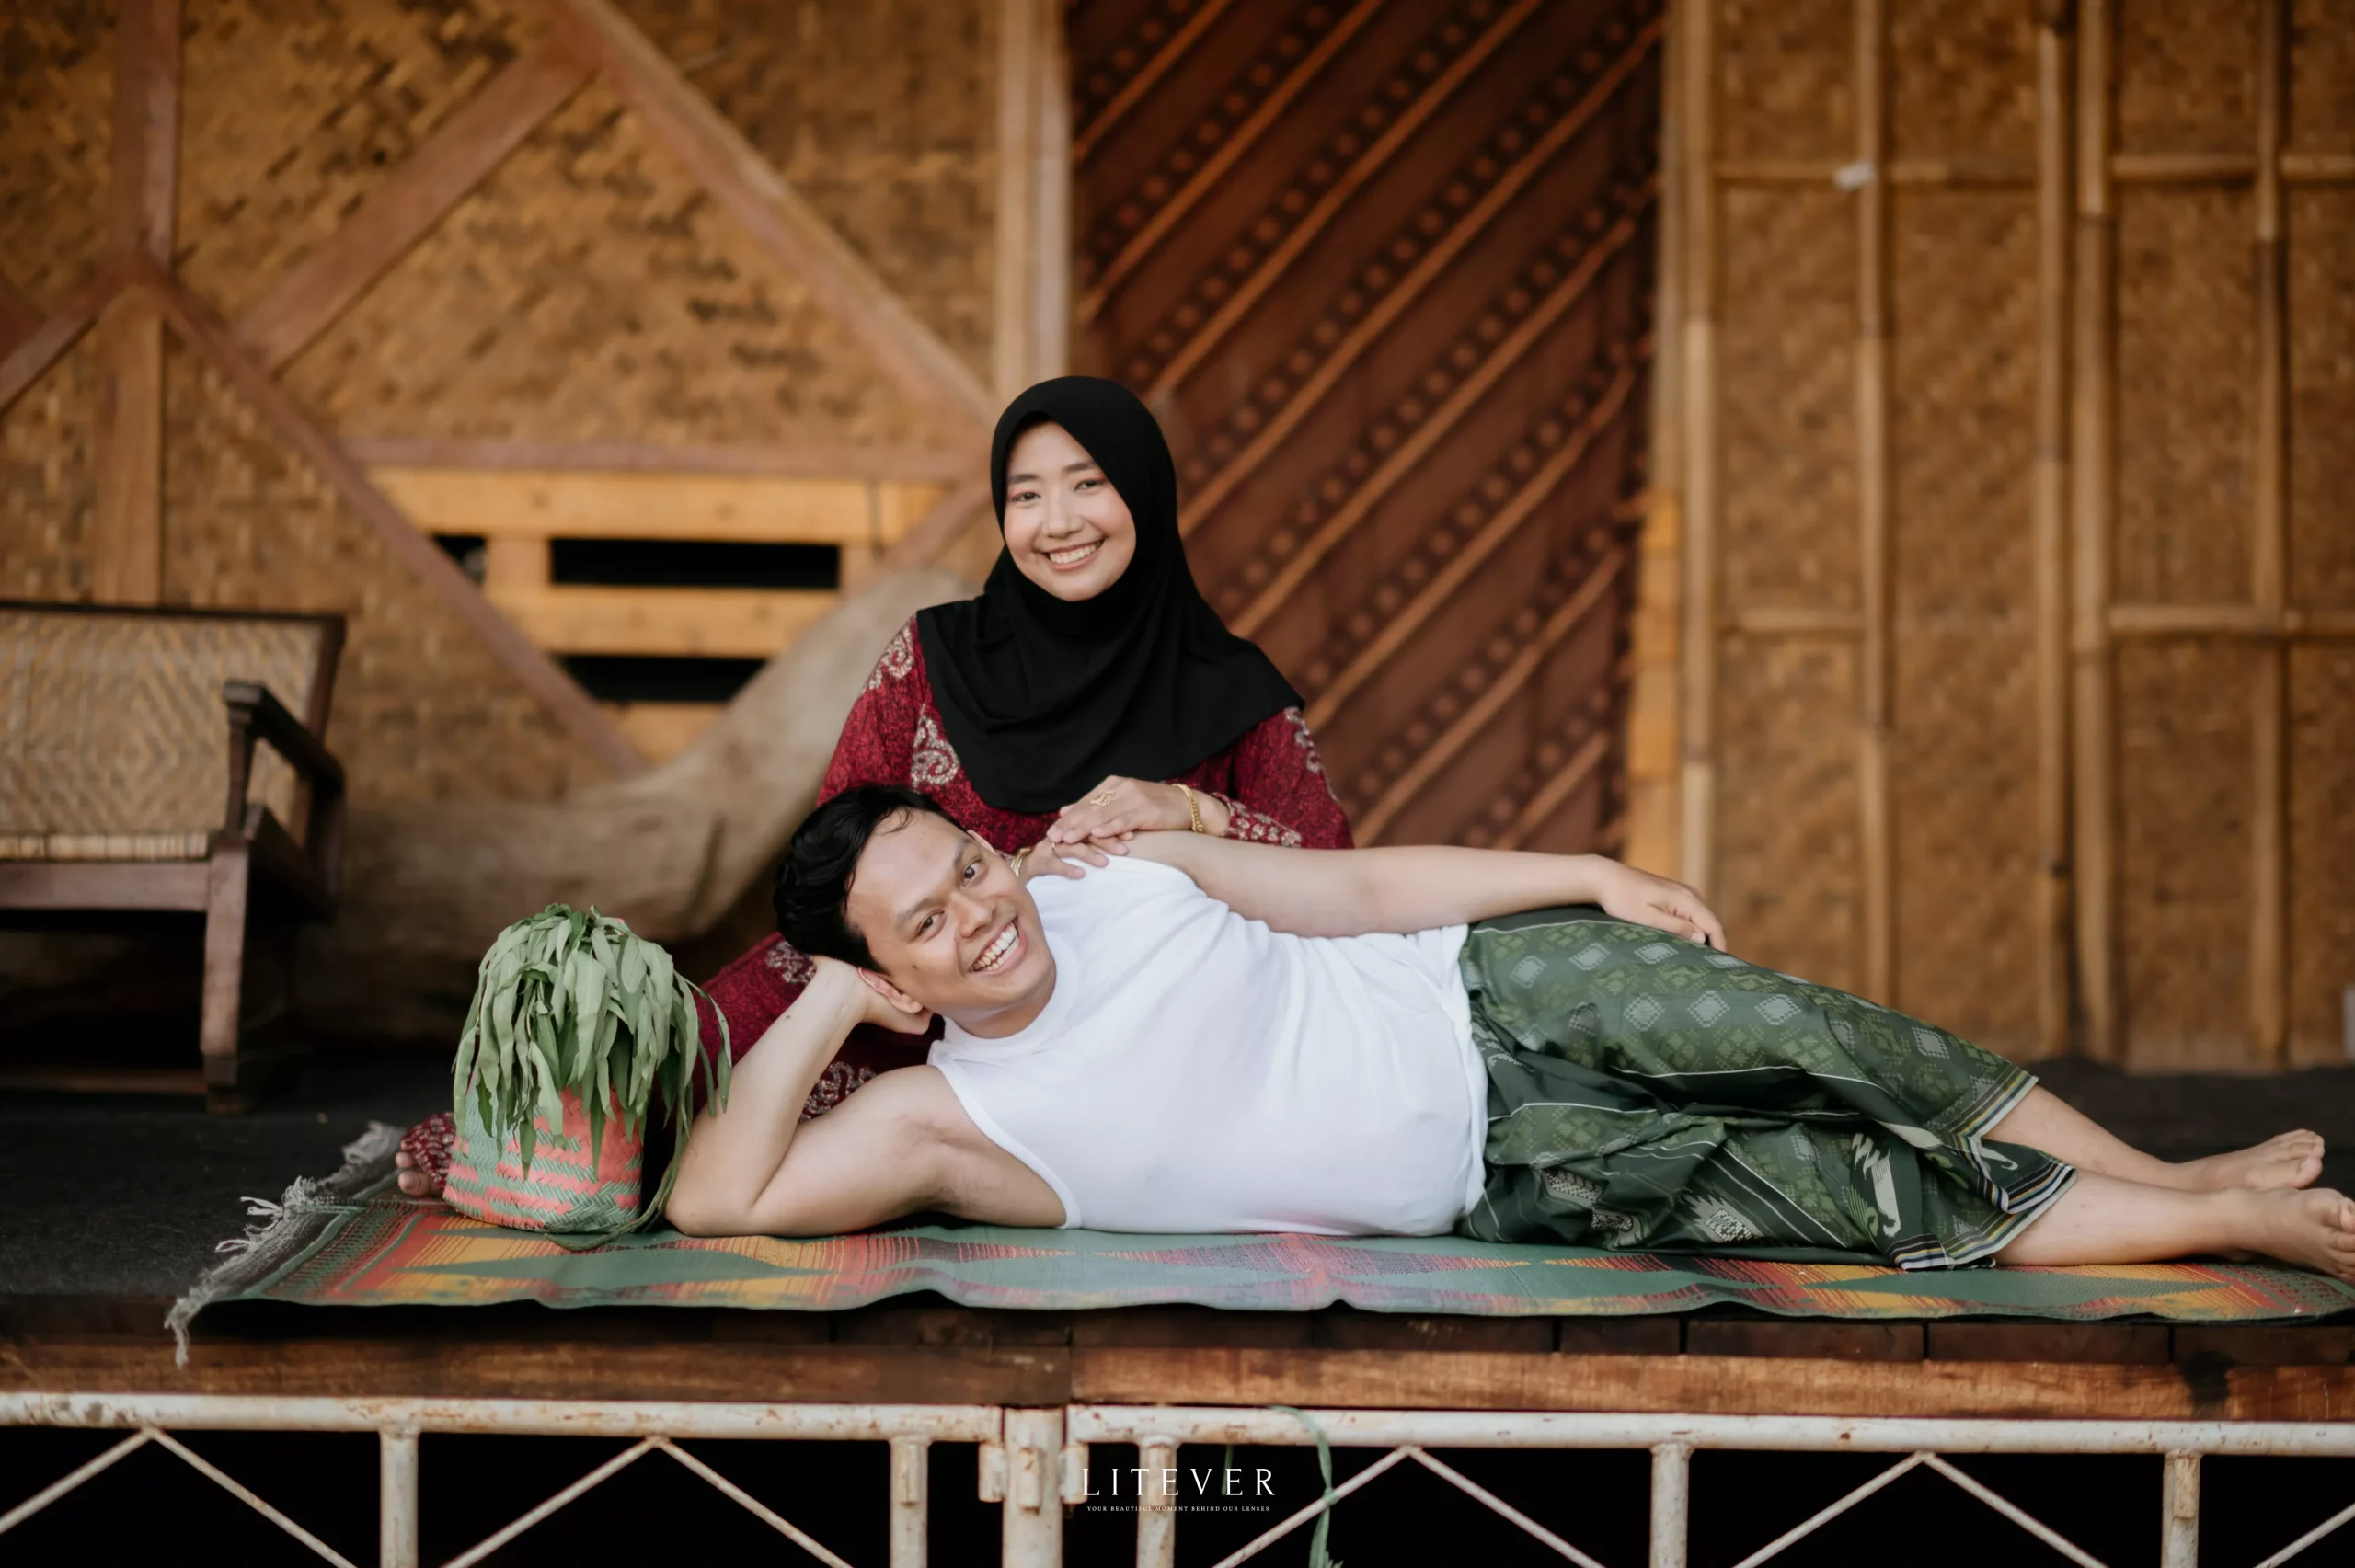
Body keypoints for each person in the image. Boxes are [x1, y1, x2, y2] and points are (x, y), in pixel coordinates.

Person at [661, 784, 2353, 1285]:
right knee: (1850, 1188)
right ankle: (2221, 1220)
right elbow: (716, 1201)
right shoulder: (952, 1123)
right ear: (892, 974)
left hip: (1491, 987)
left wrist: (1589, 877)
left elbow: (1365, 888)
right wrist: (835, 1000)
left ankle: (2173, 1172)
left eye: (966, 865)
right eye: (925, 923)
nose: (980, 913)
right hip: (1515, 1170)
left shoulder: (1118, 875)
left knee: (1837, 1039)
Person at [397, 378, 1351, 1196]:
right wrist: (908, 952)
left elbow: (1336, 878)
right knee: (712, 1044)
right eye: (1026, 495)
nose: (1057, 522)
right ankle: (539, 1138)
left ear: (1143, 488)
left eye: (1088, 484)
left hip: (1115, 1028)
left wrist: (1191, 810)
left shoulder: (1232, 693)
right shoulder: (939, 654)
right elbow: (833, 848)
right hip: (901, 1001)